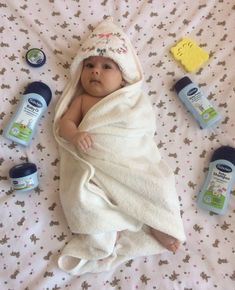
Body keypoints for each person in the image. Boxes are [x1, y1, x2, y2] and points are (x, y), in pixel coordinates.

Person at [58, 54, 180, 253]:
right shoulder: (82, 100)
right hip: (97, 162)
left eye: (107, 67)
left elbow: (142, 127)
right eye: (89, 65)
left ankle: (161, 223)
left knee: (161, 184)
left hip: (131, 157)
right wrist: (75, 135)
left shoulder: (131, 99)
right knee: (81, 195)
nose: (95, 71)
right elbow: (65, 124)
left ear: (123, 78)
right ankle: (107, 226)